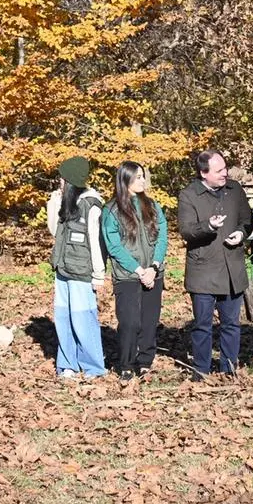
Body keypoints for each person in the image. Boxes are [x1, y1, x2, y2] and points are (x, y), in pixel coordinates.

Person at [177, 150, 253, 379]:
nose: (225, 173)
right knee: (202, 325)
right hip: (204, 271)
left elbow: (246, 220)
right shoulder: (189, 195)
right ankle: (201, 368)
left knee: (231, 324)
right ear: (203, 173)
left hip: (232, 269)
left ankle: (229, 367)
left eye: (225, 168)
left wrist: (240, 234)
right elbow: (186, 230)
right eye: (219, 170)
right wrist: (207, 226)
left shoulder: (234, 190)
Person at [102, 161, 168, 383]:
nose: (142, 180)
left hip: (153, 272)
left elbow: (162, 236)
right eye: (138, 177)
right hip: (128, 275)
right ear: (126, 179)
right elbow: (114, 246)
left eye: (143, 176)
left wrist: (154, 267)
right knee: (130, 322)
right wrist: (139, 270)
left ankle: (145, 361)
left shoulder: (153, 206)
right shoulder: (111, 210)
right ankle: (126, 364)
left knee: (149, 321)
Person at [46, 156, 107, 380]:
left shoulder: (91, 205)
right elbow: (54, 231)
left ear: (70, 180)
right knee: (63, 318)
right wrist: (54, 201)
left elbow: (96, 242)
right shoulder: (64, 202)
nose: (59, 183)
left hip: (82, 272)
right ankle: (67, 364)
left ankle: (94, 367)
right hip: (62, 270)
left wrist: (98, 275)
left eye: (62, 179)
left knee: (83, 319)